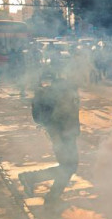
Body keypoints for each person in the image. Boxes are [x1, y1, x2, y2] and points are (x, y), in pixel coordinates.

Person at [18, 74, 80, 205]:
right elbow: (56, 119)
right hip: (63, 136)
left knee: (69, 167)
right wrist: (57, 138)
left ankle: (52, 196)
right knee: (69, 167)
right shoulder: (65, 93)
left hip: (67, 135)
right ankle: (32, 179)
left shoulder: (67, 91)